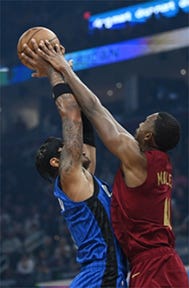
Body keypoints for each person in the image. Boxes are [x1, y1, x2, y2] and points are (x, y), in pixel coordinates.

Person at [21, 39, 189, 288]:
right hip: (118, 270)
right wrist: (59, 72)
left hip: (141, 266)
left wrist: (62, 72)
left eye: (145, 122)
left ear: (148, 137)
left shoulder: (124, 163)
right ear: (58, 161)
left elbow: (90, 117)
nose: (138, 124)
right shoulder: (75, 175)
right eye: (66, 147)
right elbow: (82, 116)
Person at [31, 57, 127, 287]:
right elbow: (71, 115)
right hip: (102, 273)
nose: (77, 148)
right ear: (57, 162)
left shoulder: (84, 178)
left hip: (102, 272)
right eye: (67, 147)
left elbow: (86, 120)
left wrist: (68, 76)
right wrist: (53, 70)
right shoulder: (70, 175)